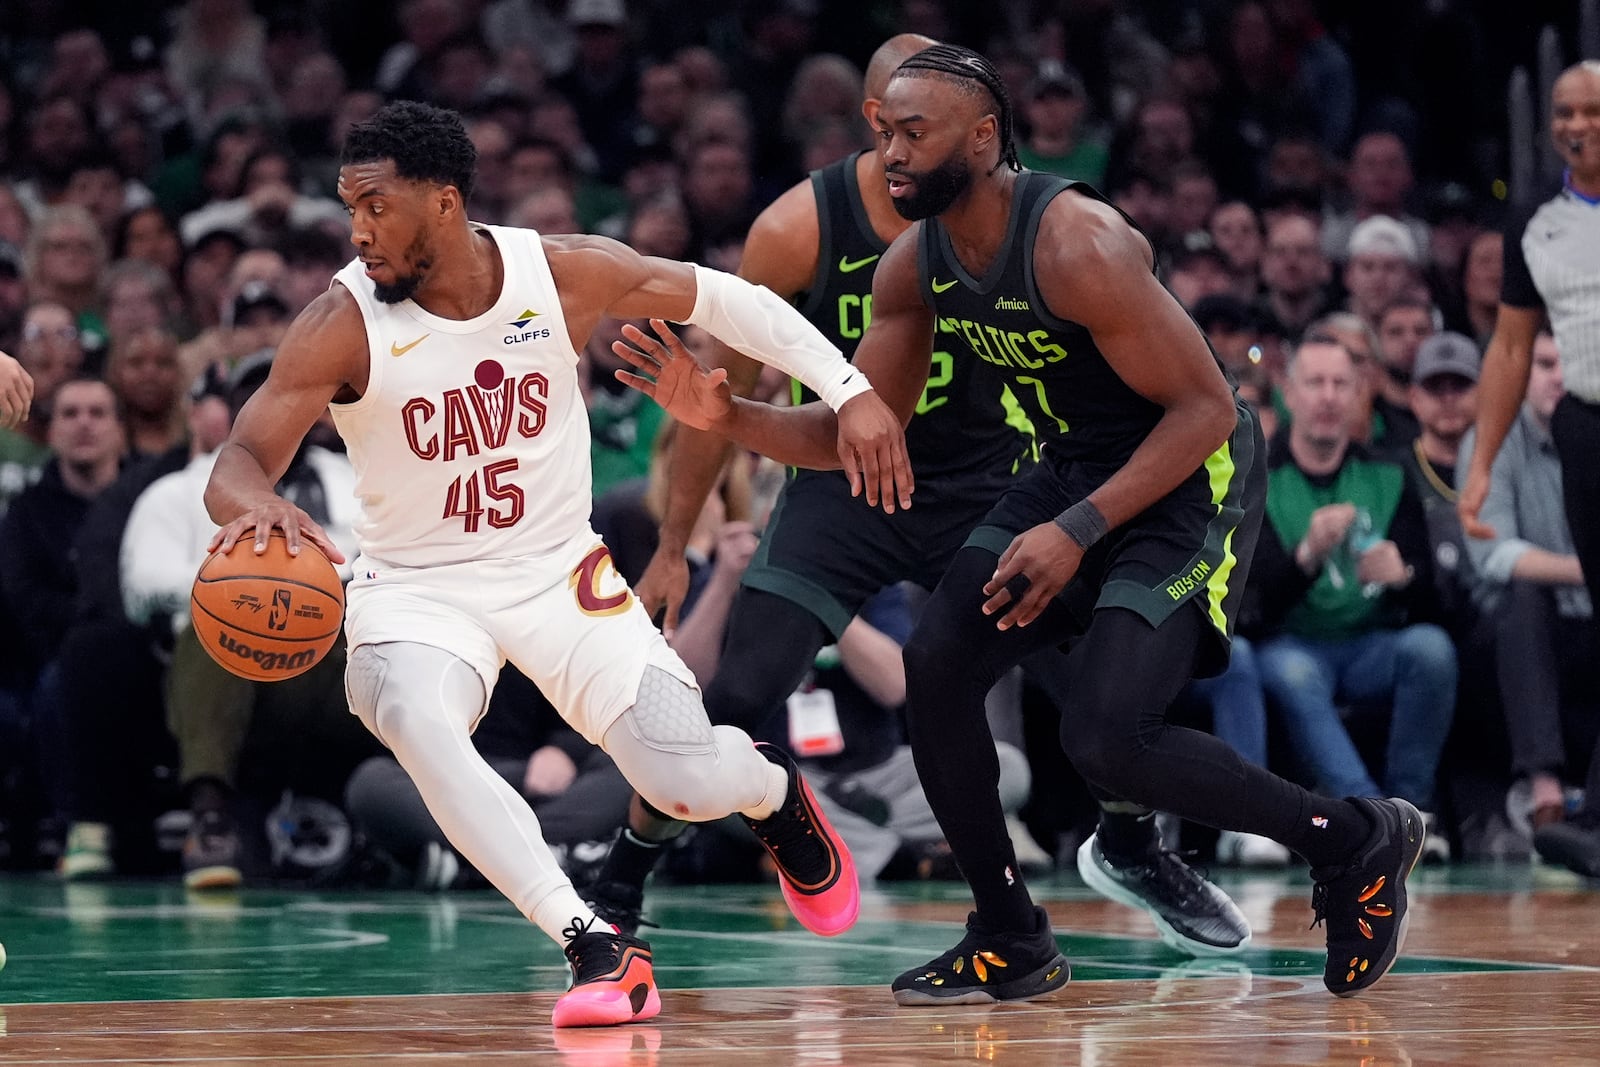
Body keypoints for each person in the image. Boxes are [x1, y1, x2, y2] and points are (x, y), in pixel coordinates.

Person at [614, 43, 1427, 1002]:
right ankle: (1009, 931)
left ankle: (1355, 838)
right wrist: (730, 417)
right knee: (940, 664)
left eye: (916, 135)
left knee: (1107, 736)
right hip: (1067, 468)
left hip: (1186, 477)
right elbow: (860, 433)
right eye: (884, 136)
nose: (894, 158)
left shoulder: (1074, 242)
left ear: (985, 136)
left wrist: (1078, 528)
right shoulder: (913, 264)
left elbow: (1208, 408)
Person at [200, 100, 900, 1029]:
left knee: (686, 778)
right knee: (412, 712)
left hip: (559, 572)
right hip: (415, 588)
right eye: (348, 208)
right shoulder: (341, 321)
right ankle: (595, 942)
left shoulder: (559, 272)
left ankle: (769, 789)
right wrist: (264, 506)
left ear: (442, 203)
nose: (358, 231)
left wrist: (848, 390)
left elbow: (731, 300)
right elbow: (237, 462)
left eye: (375, 206)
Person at [1460, 60, 1600, 877]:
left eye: (1592, 112)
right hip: (1582, 420)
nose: (1577, 126)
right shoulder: (1533, 221)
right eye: (1563, 114)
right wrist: (1480, 469)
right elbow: (1512, 348)